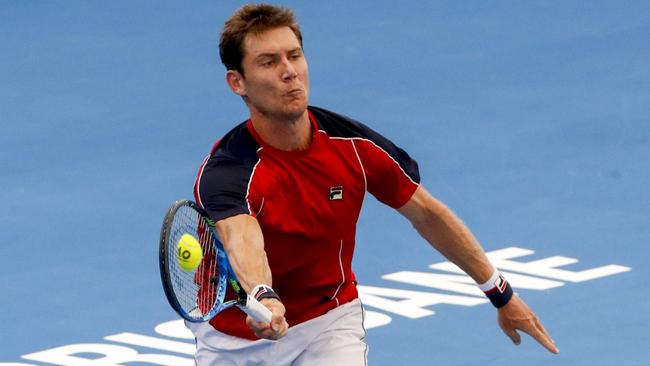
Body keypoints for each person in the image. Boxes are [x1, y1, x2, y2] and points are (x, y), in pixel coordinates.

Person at [186, 3, 559, 365]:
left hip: (326, 323)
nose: (290, 72)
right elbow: (242, 241)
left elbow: (427, 214)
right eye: (269, 62)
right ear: (237, 82)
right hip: (233, 341)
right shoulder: (228, 171)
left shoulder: (355, 147)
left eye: (295, 56)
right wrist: (264, 298)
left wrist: (499, 292)